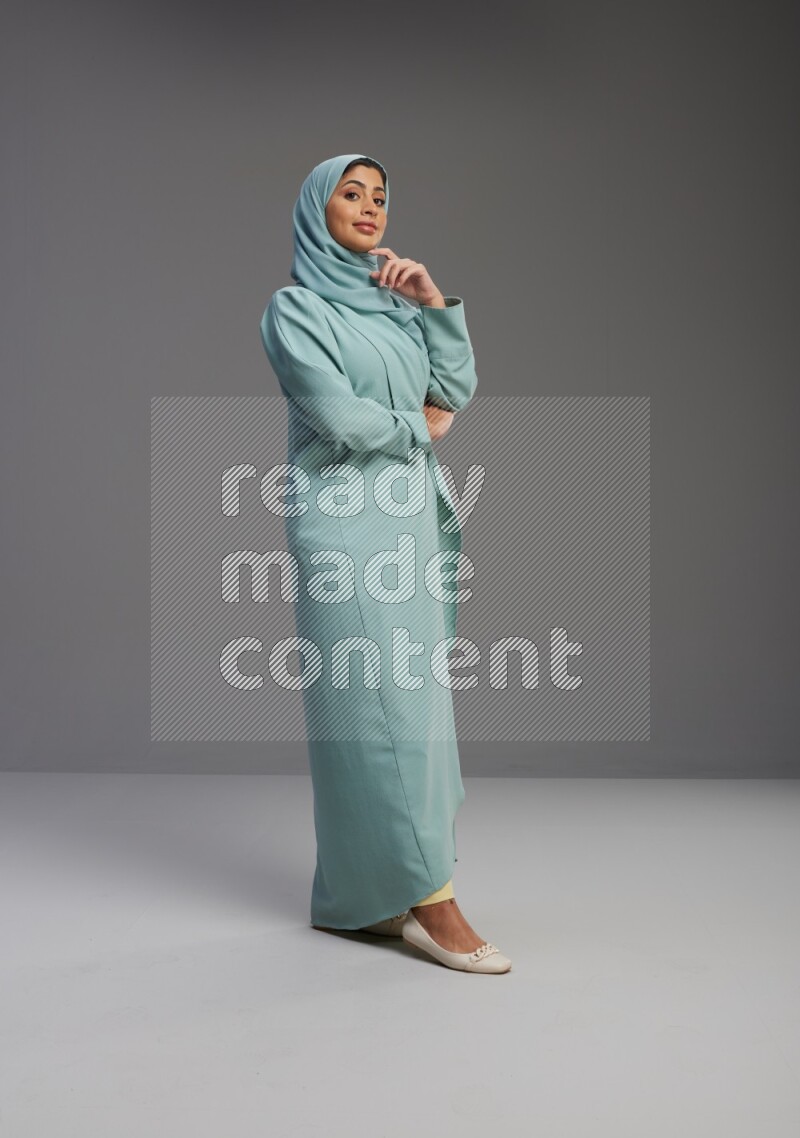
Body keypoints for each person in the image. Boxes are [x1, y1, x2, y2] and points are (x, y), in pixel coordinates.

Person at [260, 153, 511, 974]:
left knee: (416, 711)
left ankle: (358, 900)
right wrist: (419, 429)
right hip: (341, 526)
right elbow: (338, 416)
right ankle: (432, 901)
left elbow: (457, 387)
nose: (370, 208)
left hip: (406, 522)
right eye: (352, 193)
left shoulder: (394, 306)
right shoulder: (294, 310)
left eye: (381, 198)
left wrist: (432, 303)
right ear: (315, 208)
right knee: (378, 715)